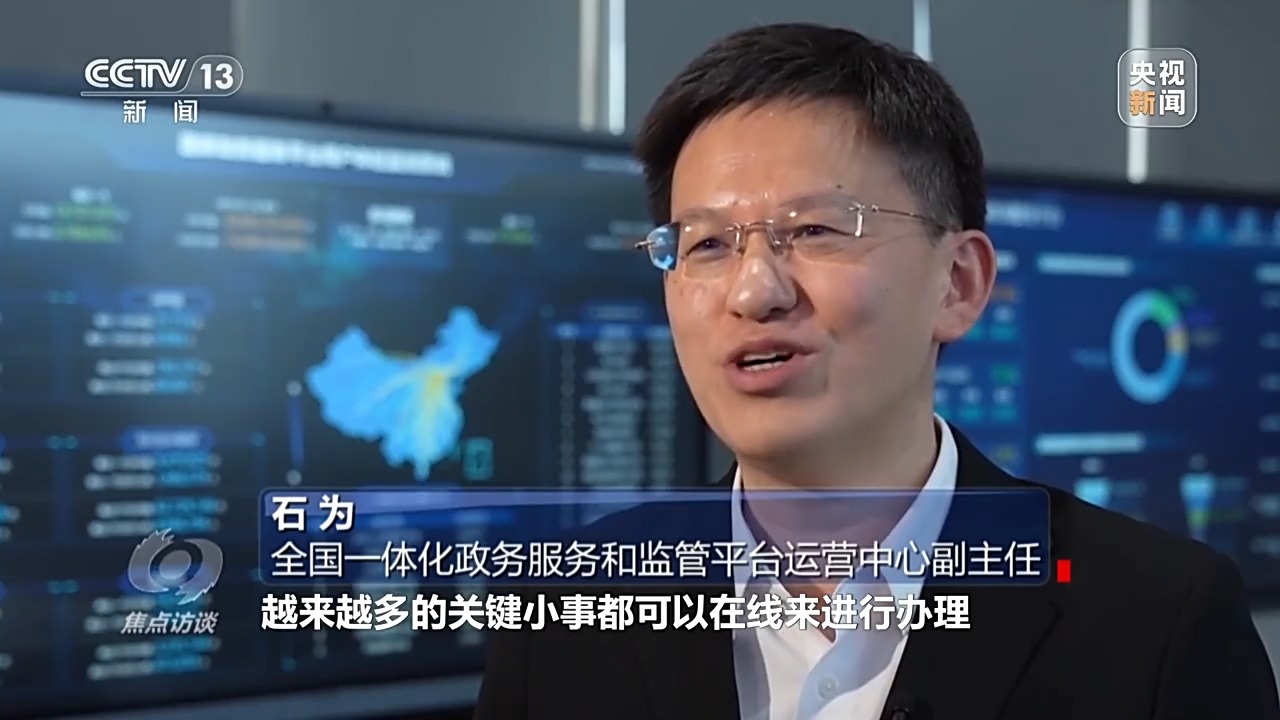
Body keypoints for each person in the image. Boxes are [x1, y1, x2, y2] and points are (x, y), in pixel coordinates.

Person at [475, 22, 1279, 720]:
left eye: (815, 230)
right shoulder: (565, 614)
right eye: (707, 244)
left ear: (958, 283)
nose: (754, 291)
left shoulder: (1157, 623)